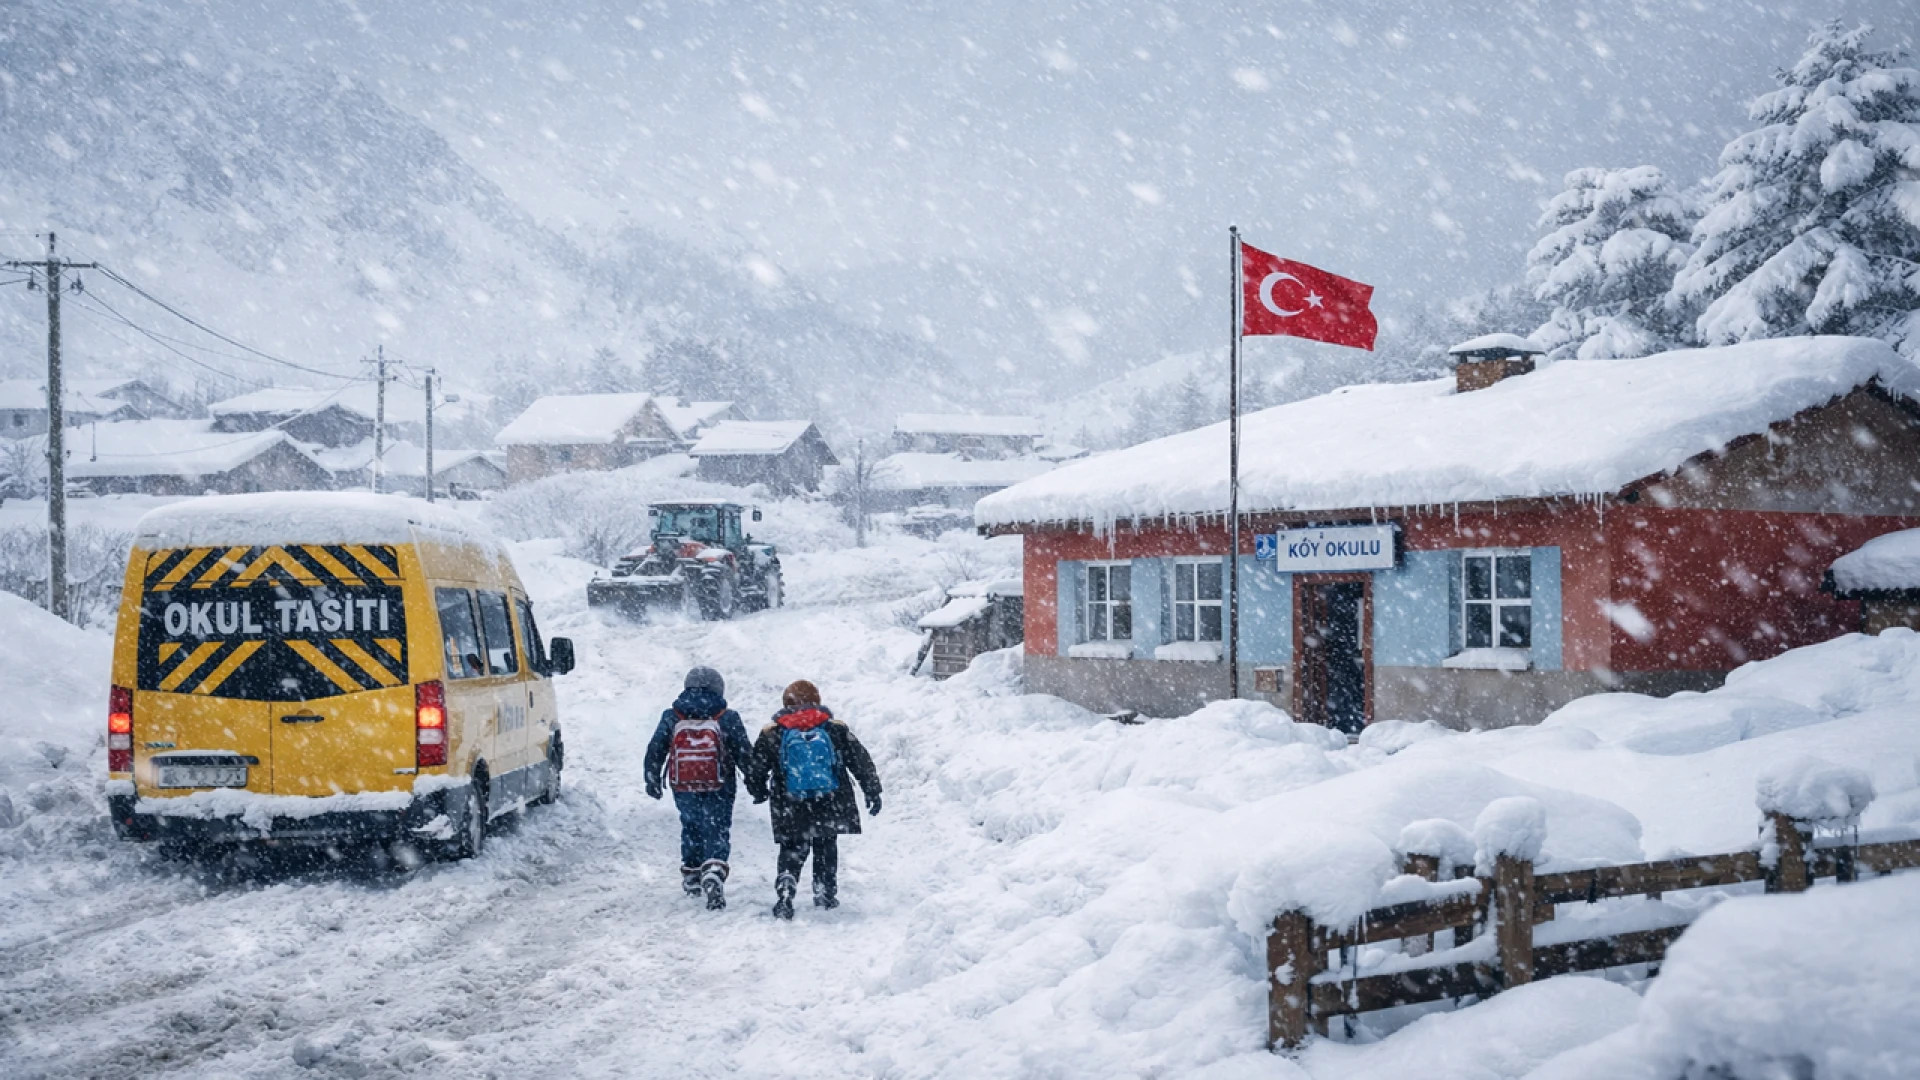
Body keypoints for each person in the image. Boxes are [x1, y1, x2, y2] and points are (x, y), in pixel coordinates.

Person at [745, 679, 882, 920]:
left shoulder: (773, 733)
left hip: (790, 800)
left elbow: (756, 768)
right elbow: (859, 760)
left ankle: (787, 886)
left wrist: (757, 790)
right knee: (826, 845)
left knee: (791, 847)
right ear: (817, 701)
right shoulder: (834, 729)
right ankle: (824, 892)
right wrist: (872, 790)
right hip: (829, 798)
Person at [644, 666, 754, 910]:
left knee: (691, 823)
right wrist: (756, 783)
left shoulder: (673, 715)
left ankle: (692, 874)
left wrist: (652, 779)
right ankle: (714, 869)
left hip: (683, 783)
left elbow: (656, 748)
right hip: (720, 782)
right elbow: (744, 753)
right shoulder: (726, 716)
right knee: (717, 824)